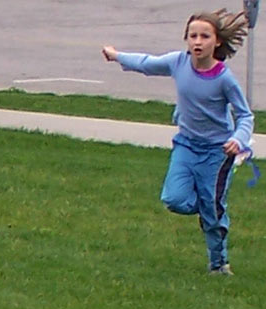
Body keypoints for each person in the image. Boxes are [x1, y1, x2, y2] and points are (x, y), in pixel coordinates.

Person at [103, 10, 255, 275]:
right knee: (173, 199)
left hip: (217, 152)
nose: (198, 42)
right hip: (186, 145)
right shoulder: (178, 63)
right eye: (192, 36)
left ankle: (219, 264)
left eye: (205, 36)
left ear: (216, 42)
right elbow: (147, 63)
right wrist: (117, 56)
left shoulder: (224, 79)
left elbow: (245, 115)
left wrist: (237, 140)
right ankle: (210, 205)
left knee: (212, 211)